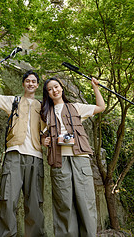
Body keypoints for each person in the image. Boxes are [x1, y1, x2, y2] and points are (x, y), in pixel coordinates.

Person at [0, 61, 46, 237]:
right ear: (23, 84)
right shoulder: (14, 101)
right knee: (8, 199)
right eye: (28, 81)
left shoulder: (43, 106)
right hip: (13, 154)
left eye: (34, 81)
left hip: (36, 157)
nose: (31, 84)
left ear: (37, 85)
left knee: (35, 203)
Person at [40, 77, 105, 237]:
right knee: (64, 205)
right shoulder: (45, 113)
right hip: (58, 161)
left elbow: (101, 107)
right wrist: (44, 140)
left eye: (56, 87)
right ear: (47, 93)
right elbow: (42, 134)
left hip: (80, 158)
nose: (54, 90)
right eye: (50, 89)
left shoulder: (76, 107)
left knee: (85, 202)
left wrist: (95, 87)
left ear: (62, 88)